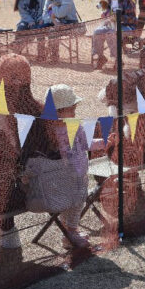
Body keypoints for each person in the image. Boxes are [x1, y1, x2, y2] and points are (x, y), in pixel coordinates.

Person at [0, 54, 56, 249]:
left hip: (12, 198)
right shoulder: (42, 111)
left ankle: (1, 227)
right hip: (46, 189)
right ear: (28, 83)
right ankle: (0, 228)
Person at [36, 84, 90, 248]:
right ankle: (70, 233)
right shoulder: (46, 130)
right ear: (58, 112)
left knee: (76, 202)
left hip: (78, 174)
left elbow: (86, 144)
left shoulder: (76, 125)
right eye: (71, 109)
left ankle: (69, 232)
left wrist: (104, 142)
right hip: (58, 177)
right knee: (72, 203)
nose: (74, 113)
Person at [92, 0, 137, 70]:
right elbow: (108, 14)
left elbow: (132, 19)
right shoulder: (108, 0)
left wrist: (118, 18)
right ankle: (101, 57)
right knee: (97, 32)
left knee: (111, 33)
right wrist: (105, 15)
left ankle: (118, 60)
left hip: (127, 27)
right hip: (111, 26)